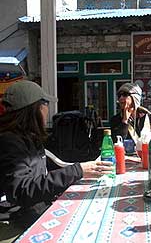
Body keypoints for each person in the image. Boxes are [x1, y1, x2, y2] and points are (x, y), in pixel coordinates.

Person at [0, 80, 113, 242]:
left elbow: (37, 180)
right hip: (12, 223)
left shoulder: (27, 137)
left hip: (31, 211)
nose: (48, 109)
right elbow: (22, 191)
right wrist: (77, 171)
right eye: (45, 103)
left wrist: (76, 174)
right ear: (35, 109)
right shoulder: (9, 143)